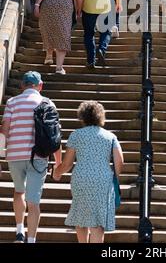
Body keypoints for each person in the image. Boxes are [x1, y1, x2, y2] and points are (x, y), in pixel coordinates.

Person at [0, 71, 62, 243]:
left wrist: (0, 153)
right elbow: (55, 135)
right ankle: (31, 240)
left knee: (19, 191)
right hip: (39, 156)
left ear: (22, 85)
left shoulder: (12, 102)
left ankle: (19, 230)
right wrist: (58, 163)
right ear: (40, 86)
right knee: (34, 201)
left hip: (15, 154)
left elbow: (4, 130)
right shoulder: (47, 103)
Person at [53, 101, 123, 243]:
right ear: (100, 117)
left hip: (81, 178)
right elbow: (119, 162)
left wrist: (57, 172)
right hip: (103, 179)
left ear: (82, 116)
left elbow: (67, 164)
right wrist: (114, 176)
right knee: (97, 221)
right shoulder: (110, 137)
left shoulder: (76, 135)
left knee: (81, 215)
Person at [34, 0, 83, 73]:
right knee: (63, 34)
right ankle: (59, 67)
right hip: (65, 7)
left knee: (49, 29)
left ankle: (49, 56)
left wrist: (36, 5)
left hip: (48, 5)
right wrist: (79, 9)